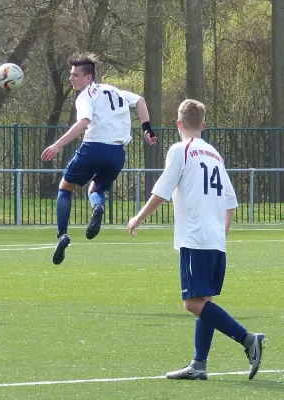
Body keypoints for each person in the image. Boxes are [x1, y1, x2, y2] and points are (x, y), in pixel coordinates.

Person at [127, 99, 266, 381]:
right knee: (204, 300)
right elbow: (231, 202)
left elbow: (163, 191)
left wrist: (137, 218)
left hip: (195, 238)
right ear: (203, 125)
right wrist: (221, 232)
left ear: (178, 124)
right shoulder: (215, 155)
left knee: (192, 303)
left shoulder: (181, 150)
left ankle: (248, 339)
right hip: (214, 240)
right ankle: (198, 364)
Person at [41, 52, 156, 265]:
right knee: (96, 189)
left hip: (93, 147)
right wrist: (147, 128)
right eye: (71, 74)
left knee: (65, 188)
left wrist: (58, 145)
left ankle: (62, 235)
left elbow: (84, 123)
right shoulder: (113, 90)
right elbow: (140, 100)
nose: (71, 79)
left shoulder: (85, 97)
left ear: (88, 78)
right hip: (117, 153)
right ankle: (98, 207)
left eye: (75, 75)